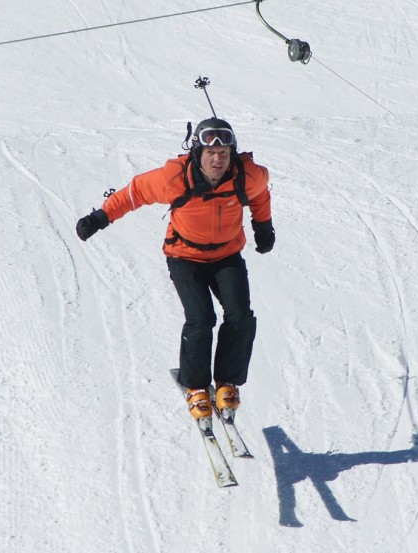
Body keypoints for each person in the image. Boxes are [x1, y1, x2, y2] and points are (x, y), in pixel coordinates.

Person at [75, 117, 274, 422]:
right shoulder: (176, 179)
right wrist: (100, 217)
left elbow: (261, 194)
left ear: (232, 154)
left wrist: (263, 228)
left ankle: (226, 382)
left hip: (227, 256)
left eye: (223, 154)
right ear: (198, 152)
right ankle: (195, 386)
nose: (217, 160)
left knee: (240, 316)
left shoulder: (247, 176)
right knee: (201, 318)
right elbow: (135, 192)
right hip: (185, 258)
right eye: (211, 153)